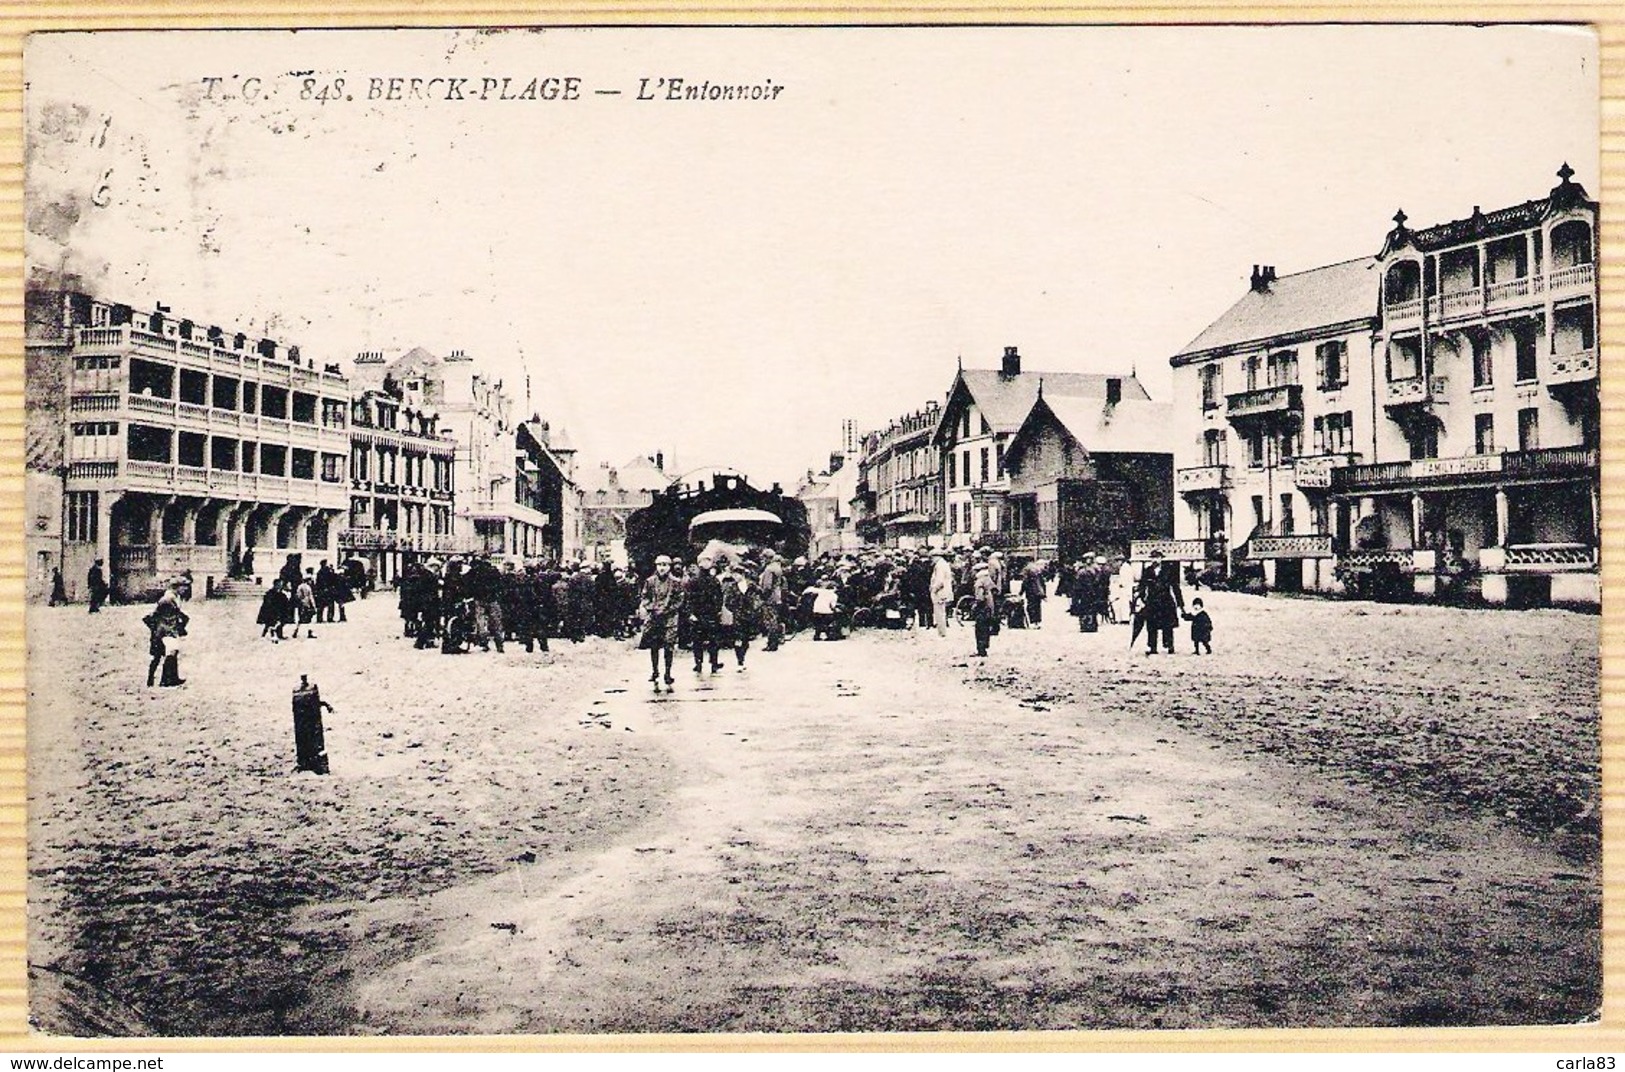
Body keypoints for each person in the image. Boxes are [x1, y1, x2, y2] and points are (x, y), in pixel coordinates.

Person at [638, 554, 684, 690]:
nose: (662, 568)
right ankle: (655, 671)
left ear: (669, 567)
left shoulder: (676, 582)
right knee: (654, 646)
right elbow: (644, 597)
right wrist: (651, 607)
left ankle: (668, 673)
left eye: (665, 565)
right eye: (659, 565)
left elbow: (679, 600)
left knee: (669, 646)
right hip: (654, 617)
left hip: (669, 618)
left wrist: (669, 609)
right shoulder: (650, 581)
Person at [1136, 552, 1185, 655]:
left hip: (1166, 601)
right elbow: (1142, 586)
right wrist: (1140, 598)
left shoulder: (1169, 571)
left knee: (1168, 625)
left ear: (1161, 559)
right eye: (1153, 558)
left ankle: (1169, 646)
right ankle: (1152, 647)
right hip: (1152, 601)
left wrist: (1180, 604)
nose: (1155, 560)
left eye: (1157, 558)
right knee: (1151, 625)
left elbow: (1175, 588)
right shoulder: (1147, 571)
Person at [721, 560, 764, 670]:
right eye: (734, 574)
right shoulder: (731, 587)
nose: (735, 577)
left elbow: (761, 594)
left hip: (750, 615)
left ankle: (742, 657)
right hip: (738, 616)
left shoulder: (751, 585)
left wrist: (756, 606)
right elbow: (727, 601)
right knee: (738, 638)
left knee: (746, 639)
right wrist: (734, 609)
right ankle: (740, 661)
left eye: (737, 574)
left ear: (742, 575)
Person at [686, 553, 725, 672]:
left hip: (711, 614)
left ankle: (713, 662)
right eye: (704, 561)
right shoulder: (693, 581)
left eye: (708, 561)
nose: (706, 563)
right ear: (699, 563)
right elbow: (689, 599)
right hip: (698, 614)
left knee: (713, 640)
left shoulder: (715, 581)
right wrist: (691, 613)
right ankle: (698, 663)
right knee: (697, 640)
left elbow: (719, 597)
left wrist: (718, 610)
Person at [143, 589, 189, 687]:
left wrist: (154, 629)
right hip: (163, 636)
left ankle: (164, 679)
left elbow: (146, 619)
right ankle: (165, 680)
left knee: (163, 657)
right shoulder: (170, 611)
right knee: (168, 655)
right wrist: (181, 628)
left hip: (160, 636)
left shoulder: (160, 614)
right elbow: (185, 618)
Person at [291, 674, 334, 775]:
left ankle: (305, 763)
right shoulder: (308, 690)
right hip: (309, 721)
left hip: (302, 721)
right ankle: (314, 765)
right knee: (314, 740)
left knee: (305, 740)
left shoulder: (298, 693)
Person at [758, 551, 786, 652]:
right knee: (774, 619)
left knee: (770, 620)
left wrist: (763, 596)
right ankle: (775, 641)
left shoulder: (769, 569)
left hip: (770, 597)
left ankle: (772, 643)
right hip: (777, 595)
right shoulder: (777, 568)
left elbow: (767, 586)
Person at [971, 561, 998, 657]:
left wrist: (975, 605)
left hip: (982, 607)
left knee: (980, 628)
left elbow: (980, 597)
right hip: (990, 606)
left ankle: (981, 650)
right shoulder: (988, 580)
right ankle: (985, 647)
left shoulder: (979, 582)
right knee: (986, 628)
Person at [806, 575, 840, 641]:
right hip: (827, 611)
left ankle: (817, 636)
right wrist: (835, 610)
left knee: (819, 624)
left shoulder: (820, 591)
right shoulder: (834, 595)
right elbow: (833, 605)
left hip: (816, 610)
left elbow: (809, 590)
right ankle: (830, 635)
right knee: (828, 622)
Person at [929, 552, 955, 637]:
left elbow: (940, 581)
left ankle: (941, 632)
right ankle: (942, 631)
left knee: (939, 612)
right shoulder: (944, 564)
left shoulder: (939, 566)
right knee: (942, 612)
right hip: (944, 591)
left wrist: (934, 590)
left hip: (940, 592)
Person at [1021, 559, 1047, 627]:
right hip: (1038, 592)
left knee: (1031, 606)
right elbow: (1042, 583)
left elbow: (1025, 582)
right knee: (1037, 607)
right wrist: (1044, 594)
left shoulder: (1027, 569)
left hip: (1030, 591)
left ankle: (1033, 621)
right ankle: (1037, 622)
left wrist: (1021, 592)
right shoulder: (1037, 570)